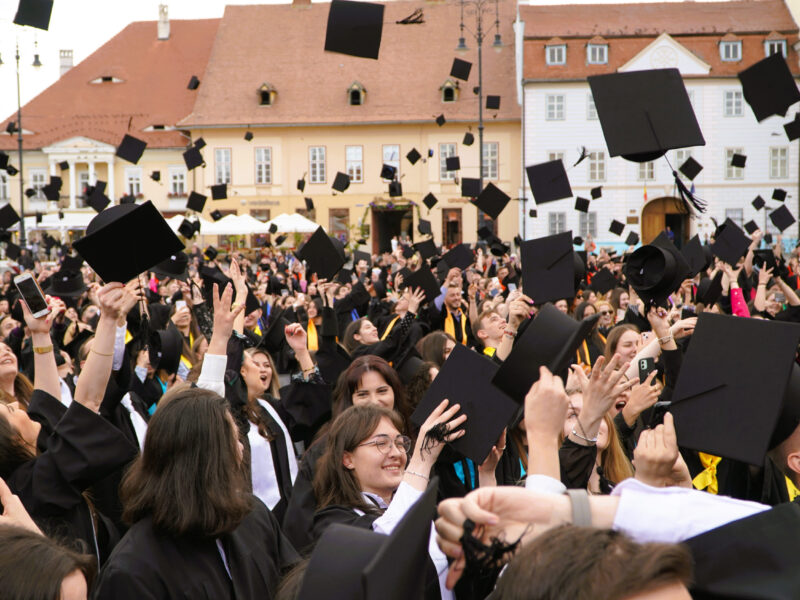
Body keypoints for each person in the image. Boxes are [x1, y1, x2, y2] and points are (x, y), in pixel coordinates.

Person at [312, 403, 465, 600]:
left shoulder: (429, 510)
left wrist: (486, 476)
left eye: (400, 442)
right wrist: (421, 460)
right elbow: (391, 546)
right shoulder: (333, 524)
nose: (396, 453)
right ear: (347, 459)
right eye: (381, 443)